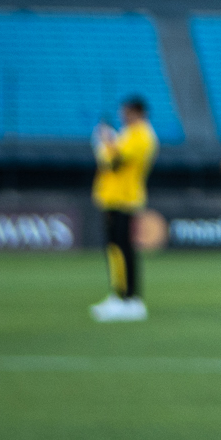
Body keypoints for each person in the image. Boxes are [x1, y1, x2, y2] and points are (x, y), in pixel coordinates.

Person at [90, 94, 157, 321]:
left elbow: (115, 163)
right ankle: (120, 295)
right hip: (114, 198)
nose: (122, 115)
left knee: (124, 249)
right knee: (116, 248)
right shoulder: (130, 134)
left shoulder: (142, 136)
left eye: (126, 112)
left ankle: (130, 299)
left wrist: (105, 143)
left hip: (125, 199)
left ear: (137, 112)